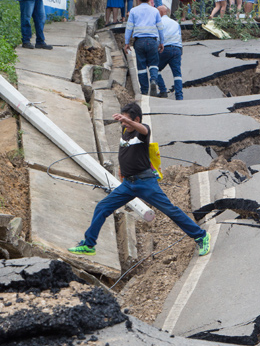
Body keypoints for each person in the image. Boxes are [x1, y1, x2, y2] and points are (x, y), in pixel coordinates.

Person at [68, 103, 211, 257]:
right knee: (102, 207)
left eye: (127, 121)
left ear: (136, 119)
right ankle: (89, 245)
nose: (124, 124)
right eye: (122, 122)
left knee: (170, 210)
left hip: (145, 183)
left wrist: (129, 122)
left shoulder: (142, 132)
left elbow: (143, 128)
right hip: (128, 184)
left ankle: (201, 236)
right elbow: (125, 149)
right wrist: (122, 169)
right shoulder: (125, 130)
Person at [125, 0, 164, 96]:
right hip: (152, 41)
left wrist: (126, 42)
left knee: (141, 66)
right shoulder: (155, 11)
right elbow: (160, 27)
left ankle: (144, 90)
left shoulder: (133, 11)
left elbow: (129, 28)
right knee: (154, 64)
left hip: (139, 42)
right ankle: (153, 80)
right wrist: (161, 42)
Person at [156, 6, 184, 100]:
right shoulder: (175, 23)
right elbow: (179, 36)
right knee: (177, 74)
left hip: (165, 49)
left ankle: (163, 90)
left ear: (160, 13)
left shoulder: (158, 22)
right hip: (177, 49)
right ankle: (179, 96)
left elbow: (158, 37)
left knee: (155, 69)